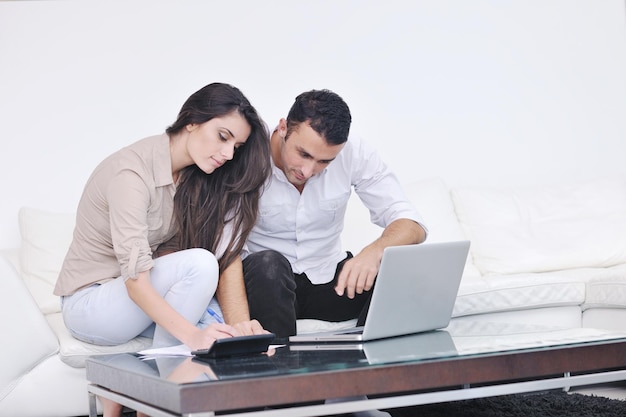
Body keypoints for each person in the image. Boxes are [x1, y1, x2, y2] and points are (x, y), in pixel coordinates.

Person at [54, 82, 271, 417]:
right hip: (90, 305)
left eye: (236, 146)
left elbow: (167, 262)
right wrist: (194, 335)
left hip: (129, 306)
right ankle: (154, 401)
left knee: (220, 324)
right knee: (201, 267)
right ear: (192, 121)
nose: (228, 154)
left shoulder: (186, 177)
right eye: (223, 136)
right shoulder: (131, 173)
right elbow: (137, 282)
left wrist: (226, 327)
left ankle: (144, 399)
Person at [242, 89, 427, 338]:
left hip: (327, 279)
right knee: (269, 264)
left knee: (400, 266)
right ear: (283, 128)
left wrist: (373, 252)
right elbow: (223, 246)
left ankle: (369, 368)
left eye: (324, 162)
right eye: (303, 154)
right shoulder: (246, 151)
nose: (307, 171)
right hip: (266, 285)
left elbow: (411, 222)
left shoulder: (353, 152)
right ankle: (282, 374)